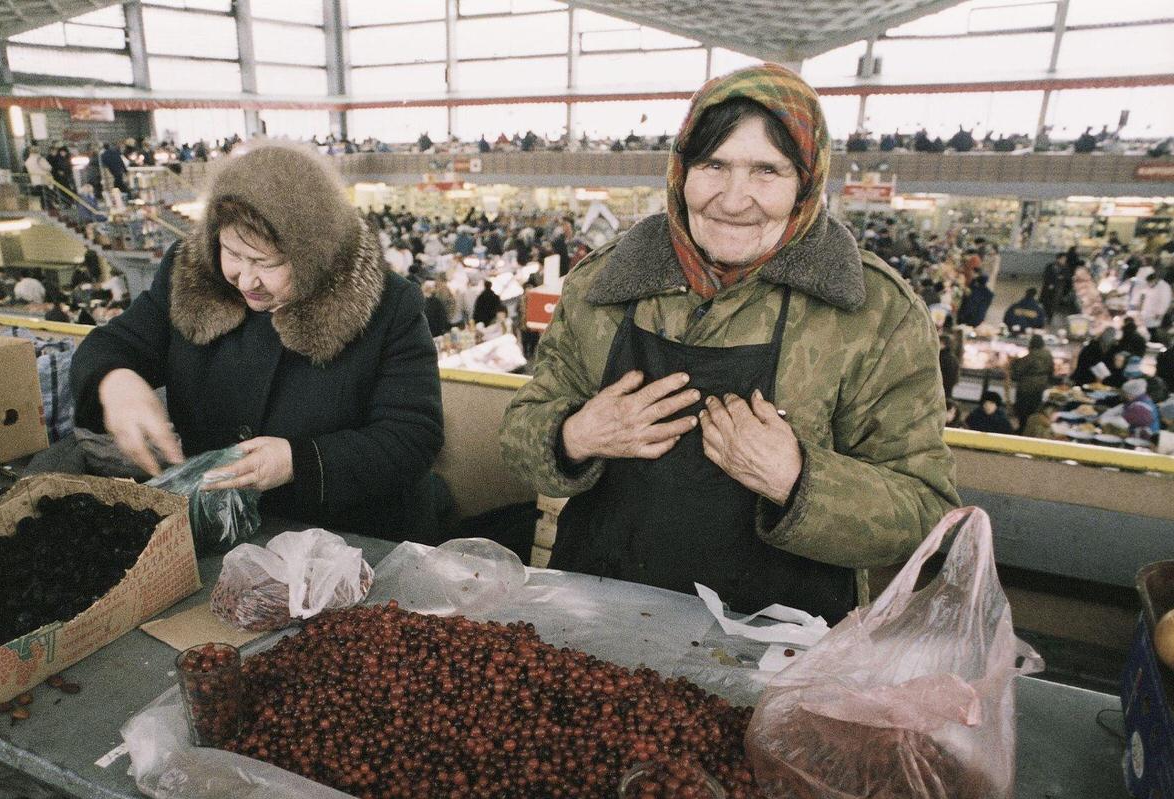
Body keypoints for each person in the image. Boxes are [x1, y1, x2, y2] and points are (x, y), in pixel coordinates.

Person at [499, 65, 958, 623]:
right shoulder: (603, 285)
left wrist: (798, 479)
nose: (734, 199)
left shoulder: (873, 314)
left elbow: (926, 517)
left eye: (767, 170)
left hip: (778, 646)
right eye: (713, 165)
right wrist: (574, 435)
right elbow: (519, 436)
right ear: (680, 172)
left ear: (805, 183)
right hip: (599, 616)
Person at [68, 141, 444, 542]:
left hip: (346, 539)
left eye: (268, 263)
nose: (246, 280)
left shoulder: (387, 305)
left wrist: (300, 461)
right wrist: (116, 382)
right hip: (222, 533)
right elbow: (114, 344)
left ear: (311, 254)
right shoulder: (188, 274)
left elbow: (412, 436)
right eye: (232, 252)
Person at [1008, 332, 1054, 429]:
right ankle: (1032, 428)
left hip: (1026, 388)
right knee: (1035, 410)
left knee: (1023, 412)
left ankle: (1023, 429)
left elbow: (1016, 373)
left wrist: (1013, 363)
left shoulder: (1030, 357)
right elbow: (1051, 371)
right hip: (1041, 387)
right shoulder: (1048, 355)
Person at [938, 331, 960, 402]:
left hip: (939, 388)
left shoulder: (940, 357)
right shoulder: (953, 358)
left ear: (943, 344)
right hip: (947, 390)